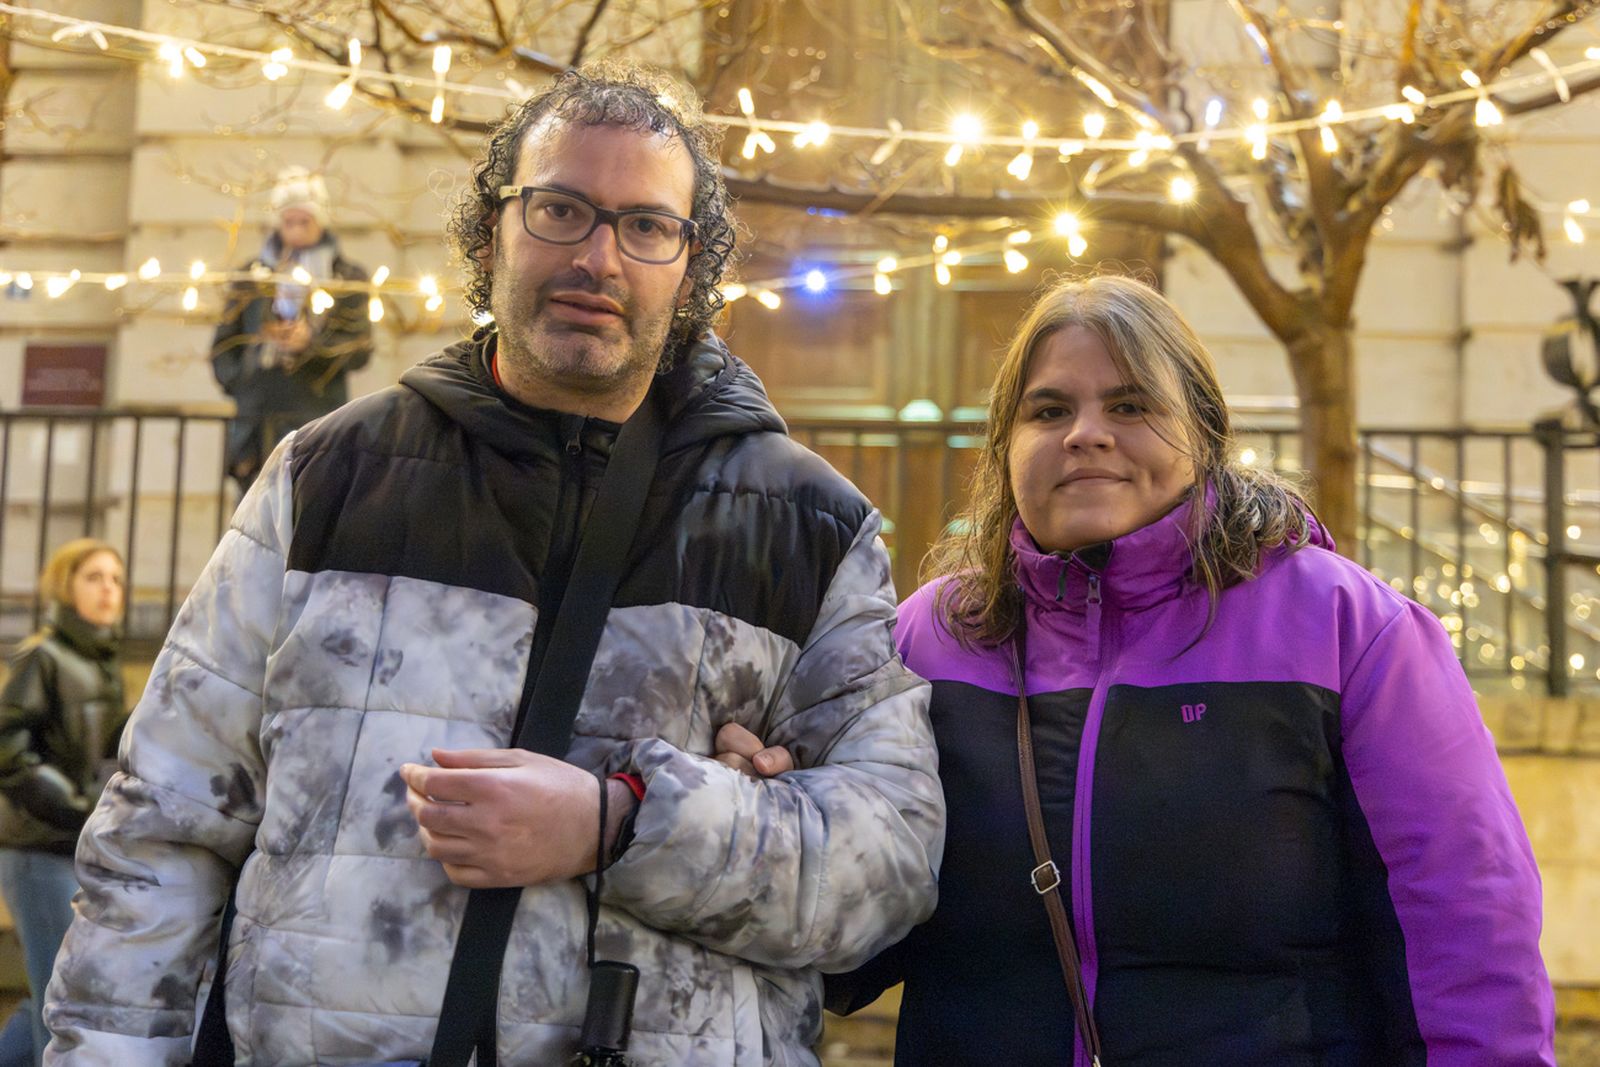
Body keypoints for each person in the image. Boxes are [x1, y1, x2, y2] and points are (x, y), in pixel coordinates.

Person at [43, 62, 942, 1066]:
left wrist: (626, 824)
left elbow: (889, 864)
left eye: (646, 226)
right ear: (489, 235)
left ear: (692, 270)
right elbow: (156, 834)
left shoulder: (807, 524)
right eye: (560, 208)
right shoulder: (325, 480)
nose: (598, 257)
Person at [718, 274, 1554, 1064]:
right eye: (1049, 410)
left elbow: (1467, 934)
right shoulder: (922, 641)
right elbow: (844, 937)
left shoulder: (1351, 631)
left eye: (1130, 403)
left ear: (1204, 434)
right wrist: (764, 810)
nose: (1086, 431)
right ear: (1007, 448)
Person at [0, 541, 127, 1067]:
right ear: (64, 586)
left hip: (76, 847)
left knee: (48, 989)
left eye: (117, 580)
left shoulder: (102, 661)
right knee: (61, 998)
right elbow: (8, 748)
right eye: (94, 577)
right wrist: (75, 806)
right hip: (39, 850)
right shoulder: (44, 655)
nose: (108, 589)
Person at [210, 165, 374, 493]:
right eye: (289, 222)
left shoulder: (345, 276)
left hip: (317, 415)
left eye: (305, 221)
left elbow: (359, 348)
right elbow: (224, 346)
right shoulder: (253, 277)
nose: (296, 230)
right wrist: (243, 380)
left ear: (320, 222)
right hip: (258, 422)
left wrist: (311, 346)